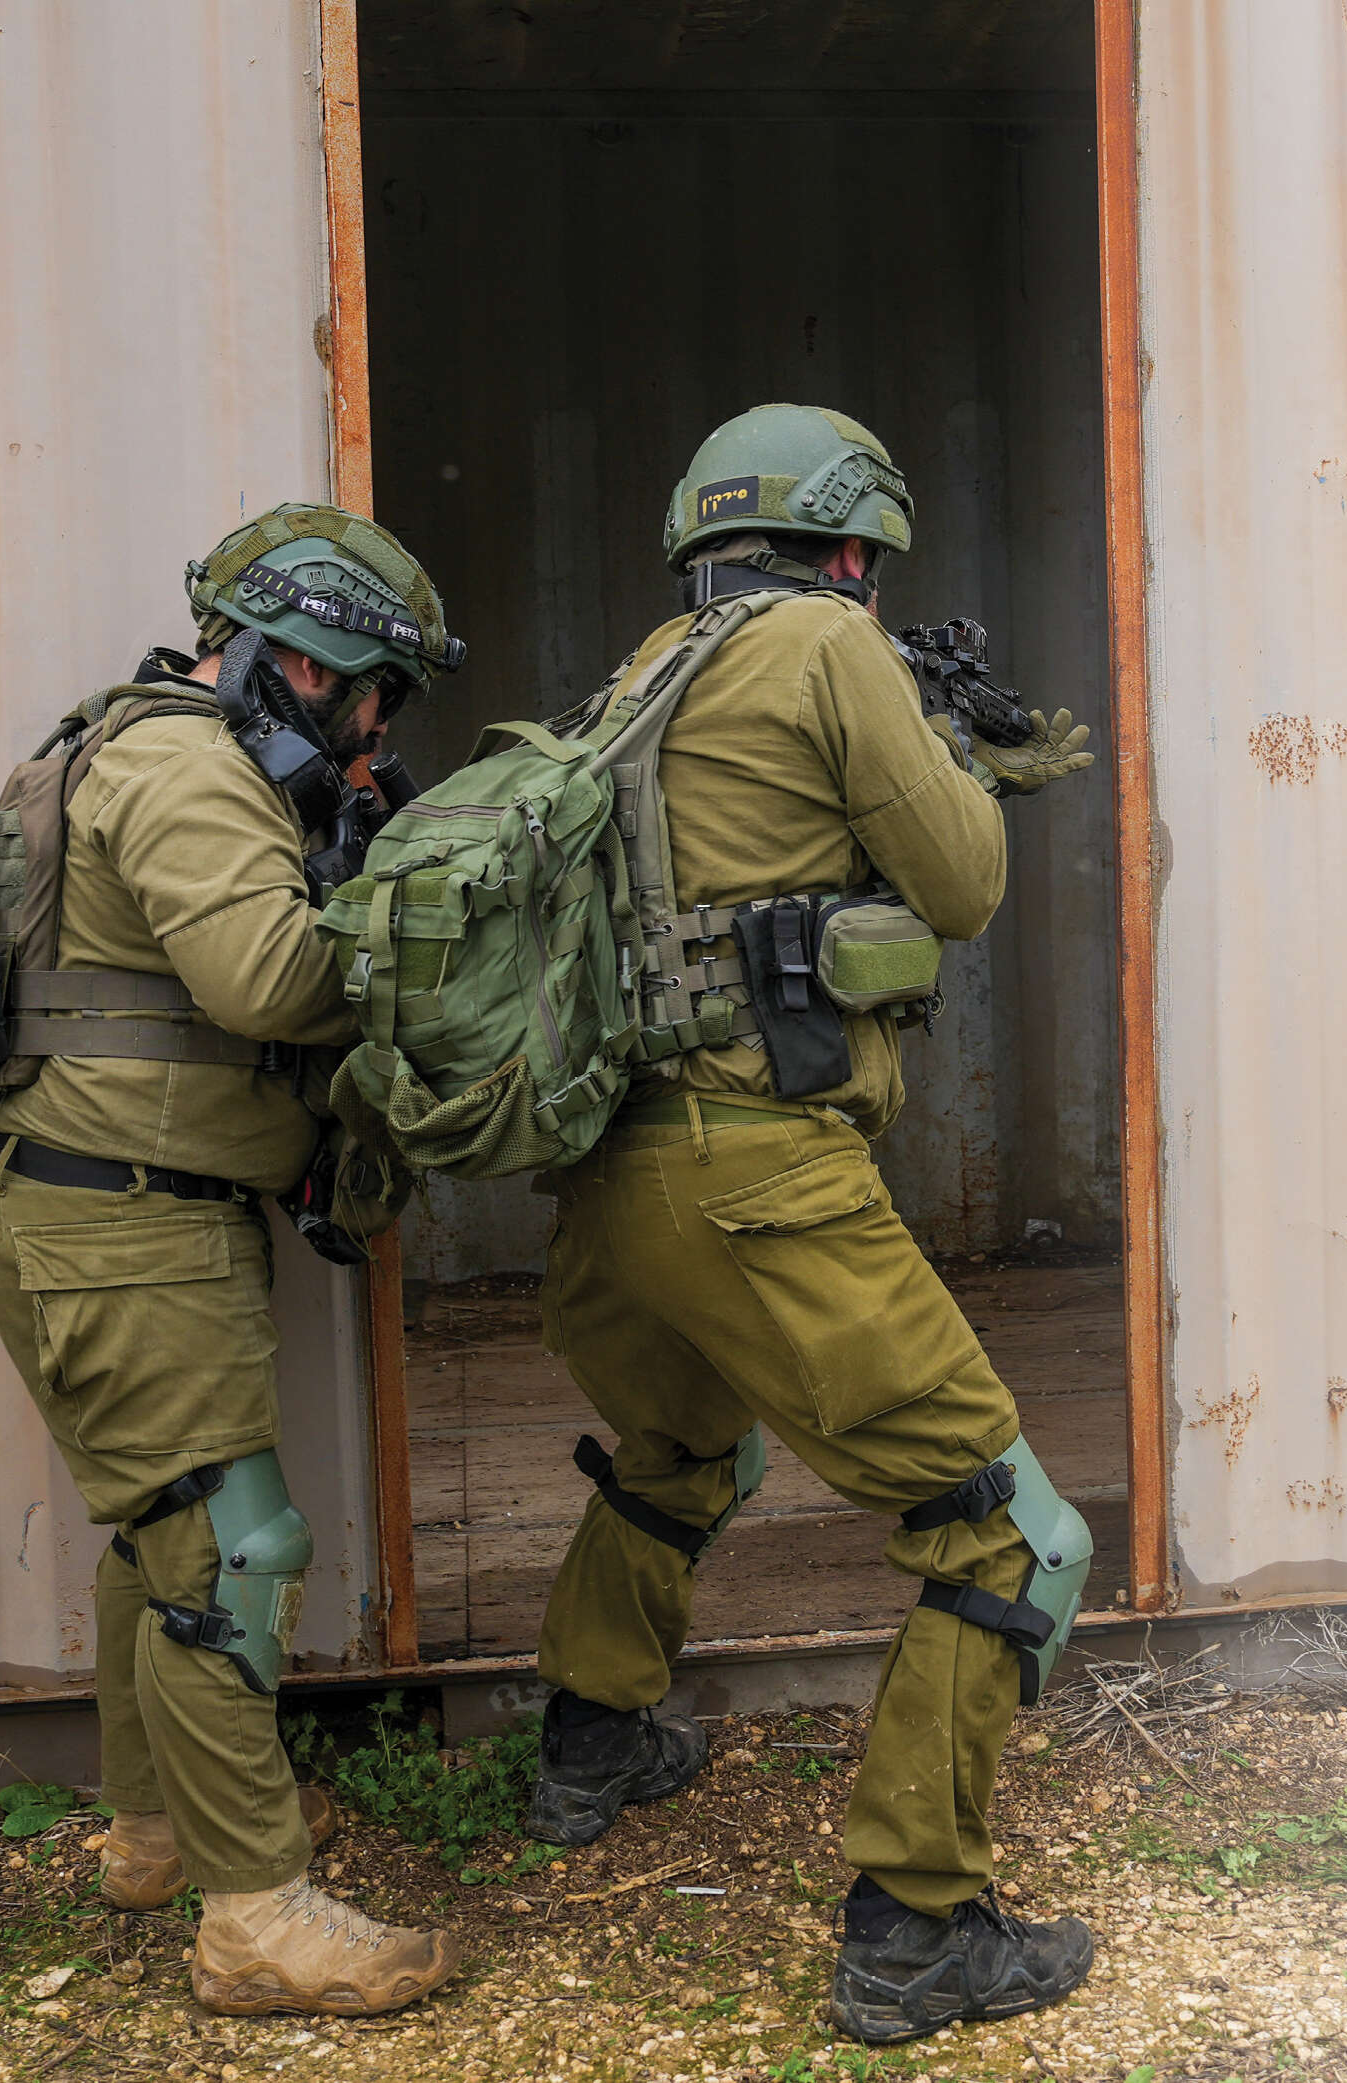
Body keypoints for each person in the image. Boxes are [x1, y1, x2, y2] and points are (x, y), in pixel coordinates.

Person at [519, 404, 1101, 2042]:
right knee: (1005, 1535)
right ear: (850, 546)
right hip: (758, 1170)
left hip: (617, 1177)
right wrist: (952, 754)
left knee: (682, 1444)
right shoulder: (834, 653)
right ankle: (918, 1928)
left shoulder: (643, 670)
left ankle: (591, 1744)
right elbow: (968, 883)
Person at [0, 505, 463, 2019]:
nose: (376, 728)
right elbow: (270, 977)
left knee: (157, 1533)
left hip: (83, 1201)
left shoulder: (118, 739)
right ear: (305, 664)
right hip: (118, 1218)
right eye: (374, 692)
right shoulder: (188, 764)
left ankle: (157, 1831)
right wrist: (419, 930)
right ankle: (258, 1916)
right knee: (231, 1552)